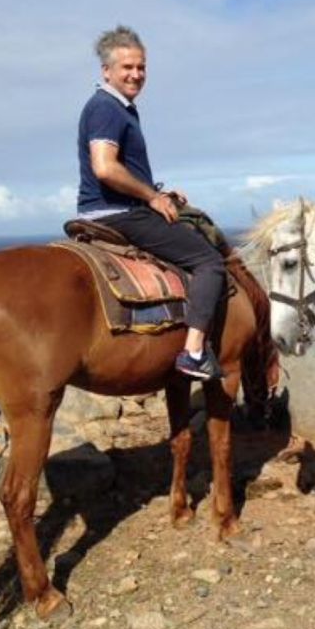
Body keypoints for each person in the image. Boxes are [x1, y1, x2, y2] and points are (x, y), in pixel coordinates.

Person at [77, 25, 225, 380]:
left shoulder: (120, 108)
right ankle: (193, 353)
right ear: (106, 71)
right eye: (127, 67)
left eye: (141, 67)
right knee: (210, 261)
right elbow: (104, 167)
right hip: (120, 214)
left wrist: (160, 192)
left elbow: (122, 169)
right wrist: (152, 197)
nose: (136, 74)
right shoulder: (107, 108)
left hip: (113, 209)